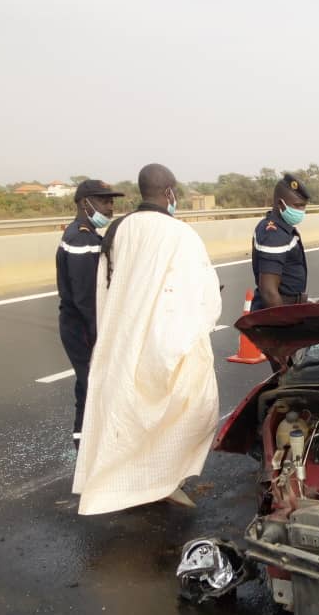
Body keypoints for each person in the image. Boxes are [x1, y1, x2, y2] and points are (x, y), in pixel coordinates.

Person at [73, 163, 222, 515]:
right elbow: (202, 296)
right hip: (170, 343)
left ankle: (127, 487)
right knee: (192, 412)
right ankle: (164, 483)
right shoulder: (180, 234)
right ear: (169, 192)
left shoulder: (118, 229)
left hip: (124, 342)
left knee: (128, 415)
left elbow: (104, 288)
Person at [56, 179, 124, 449]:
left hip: (81, 325)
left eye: (111, 201)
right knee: (95, 387)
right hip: (83, 327)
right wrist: (102, 339)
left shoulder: (86, 235)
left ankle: (84, 444)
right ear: (85, 203)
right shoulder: (81, 239)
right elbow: (87, 299)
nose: (110, 207)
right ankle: (92, 449)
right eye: (104, 201)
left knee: (87, 387)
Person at [251, 173, 311, 309]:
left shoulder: (281, 229)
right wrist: (285, 324)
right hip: (276, 315)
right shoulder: (273, 234)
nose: (301, 211)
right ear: (280, 204)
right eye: (297, 206)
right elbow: (269, 293)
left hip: (291, 307)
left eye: (303, 206)